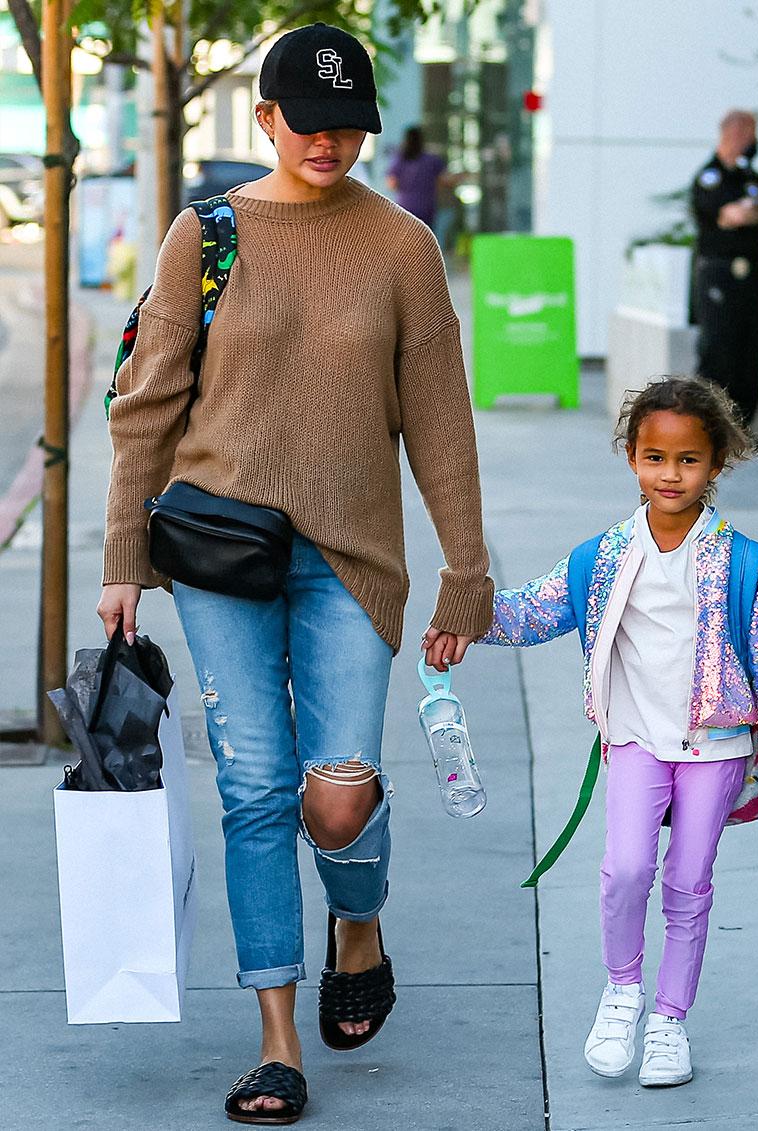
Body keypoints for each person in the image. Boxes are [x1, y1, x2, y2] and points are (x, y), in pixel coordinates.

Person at [98, 22, 490, 1124]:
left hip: (350, 558)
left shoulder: (403, 245)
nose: (330, 142)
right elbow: (146, 405)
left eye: (350, 124)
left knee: (338, 793)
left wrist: (468, 569)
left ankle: (356, 921)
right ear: (265, 119)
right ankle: (278, 1042)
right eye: (308, 124)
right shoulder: (205, 236)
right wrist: (123, 552)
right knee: (257, 793)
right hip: (221, 552)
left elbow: (440, 422)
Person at [476, 376, 758, 1089]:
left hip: (715, 748)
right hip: (633, 738)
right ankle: (622, 991)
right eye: (655, 456)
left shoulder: (741, 561)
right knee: (626, 870)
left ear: (717, 464)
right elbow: (531, 612)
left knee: (688, 882)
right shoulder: (604, 556)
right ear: (631, 457)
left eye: (688, 460)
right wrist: (463, 614)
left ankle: (669, 1019)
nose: (671, 474)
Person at [689, 110, 758, 429]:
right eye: (750, 134)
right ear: (735, 134)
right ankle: (706, 425)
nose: (754, 142)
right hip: (720, 278)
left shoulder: (749, 179)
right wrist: (756, 209)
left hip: (750, 280)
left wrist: (753, 208)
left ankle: (741, 427)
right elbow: (730, 215)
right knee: (719, 352)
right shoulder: (710, 178)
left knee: (749, 356)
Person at [384, 125, 454, 254]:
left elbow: (392, 184)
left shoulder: (399, 159)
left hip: (404, 207)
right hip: (426, 207)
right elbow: (445, 181)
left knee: (405, 245)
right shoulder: (432, 160)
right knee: (424, 243)